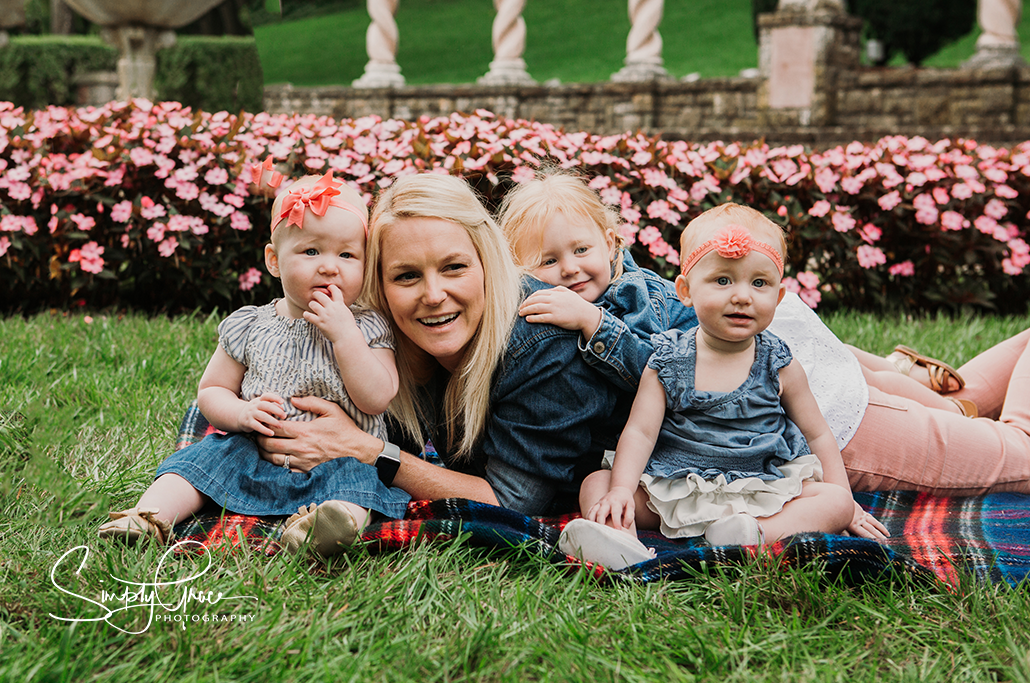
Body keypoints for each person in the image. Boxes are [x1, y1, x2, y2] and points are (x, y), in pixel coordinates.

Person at [256, 172, 627, 516]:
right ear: (379, 285)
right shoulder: (378, 339)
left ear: (488, 262)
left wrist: (366, 450)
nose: (433, 296)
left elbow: (512, 501)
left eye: (454, 267)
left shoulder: (541, 339)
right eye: (407, 275)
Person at [556, 204, 886, 568]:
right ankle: (620, 540)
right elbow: (639, 432)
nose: (742, 296)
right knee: (597, 484)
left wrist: (846, 501)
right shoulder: (667, 360)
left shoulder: (780, 364)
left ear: (778, 297)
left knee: (835, 502)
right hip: (677, 487)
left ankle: (751, 536)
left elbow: (819, 434)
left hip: (761, 489)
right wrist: (621, 490)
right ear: (685, 290)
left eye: (759, 283)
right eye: (723, 280)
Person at [98, 171, 410, 555]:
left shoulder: (368, 327)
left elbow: (377, 398)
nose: (330, 267)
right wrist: (242, 413)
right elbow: (212, 391)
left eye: (347, 255)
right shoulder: (250, 324)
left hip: (337, 459)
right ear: (274, 261)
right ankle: (149, 516)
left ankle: (321, 529)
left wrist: (345, 336)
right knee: (200, 460)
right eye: (311, 251)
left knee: (358, 485)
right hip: (256, 451)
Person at [497, 170, 696, 390]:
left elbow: (658, 378)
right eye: (549, 261)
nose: (570, 269)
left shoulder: (640, 296)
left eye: (581, 250)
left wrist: (591, 320)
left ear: (609, 244)